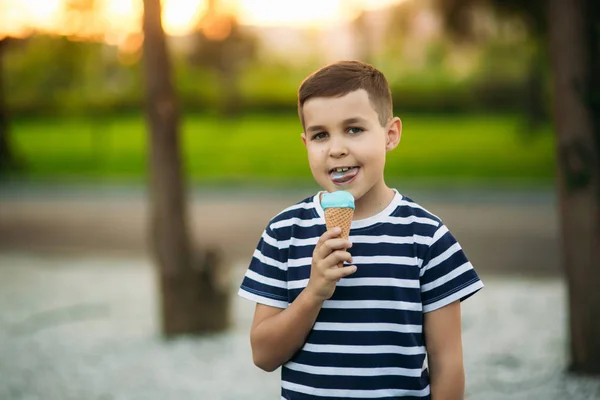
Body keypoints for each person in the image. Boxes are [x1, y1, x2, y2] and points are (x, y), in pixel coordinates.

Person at [238, 60, 483, 400]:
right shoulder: (284, 233)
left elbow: (448, 363)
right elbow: (263, 355)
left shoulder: (427, 237)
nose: (336, 148)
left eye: (354, 129)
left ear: (390, 135)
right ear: (305, 144)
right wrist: (313, 293)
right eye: (320, 134)